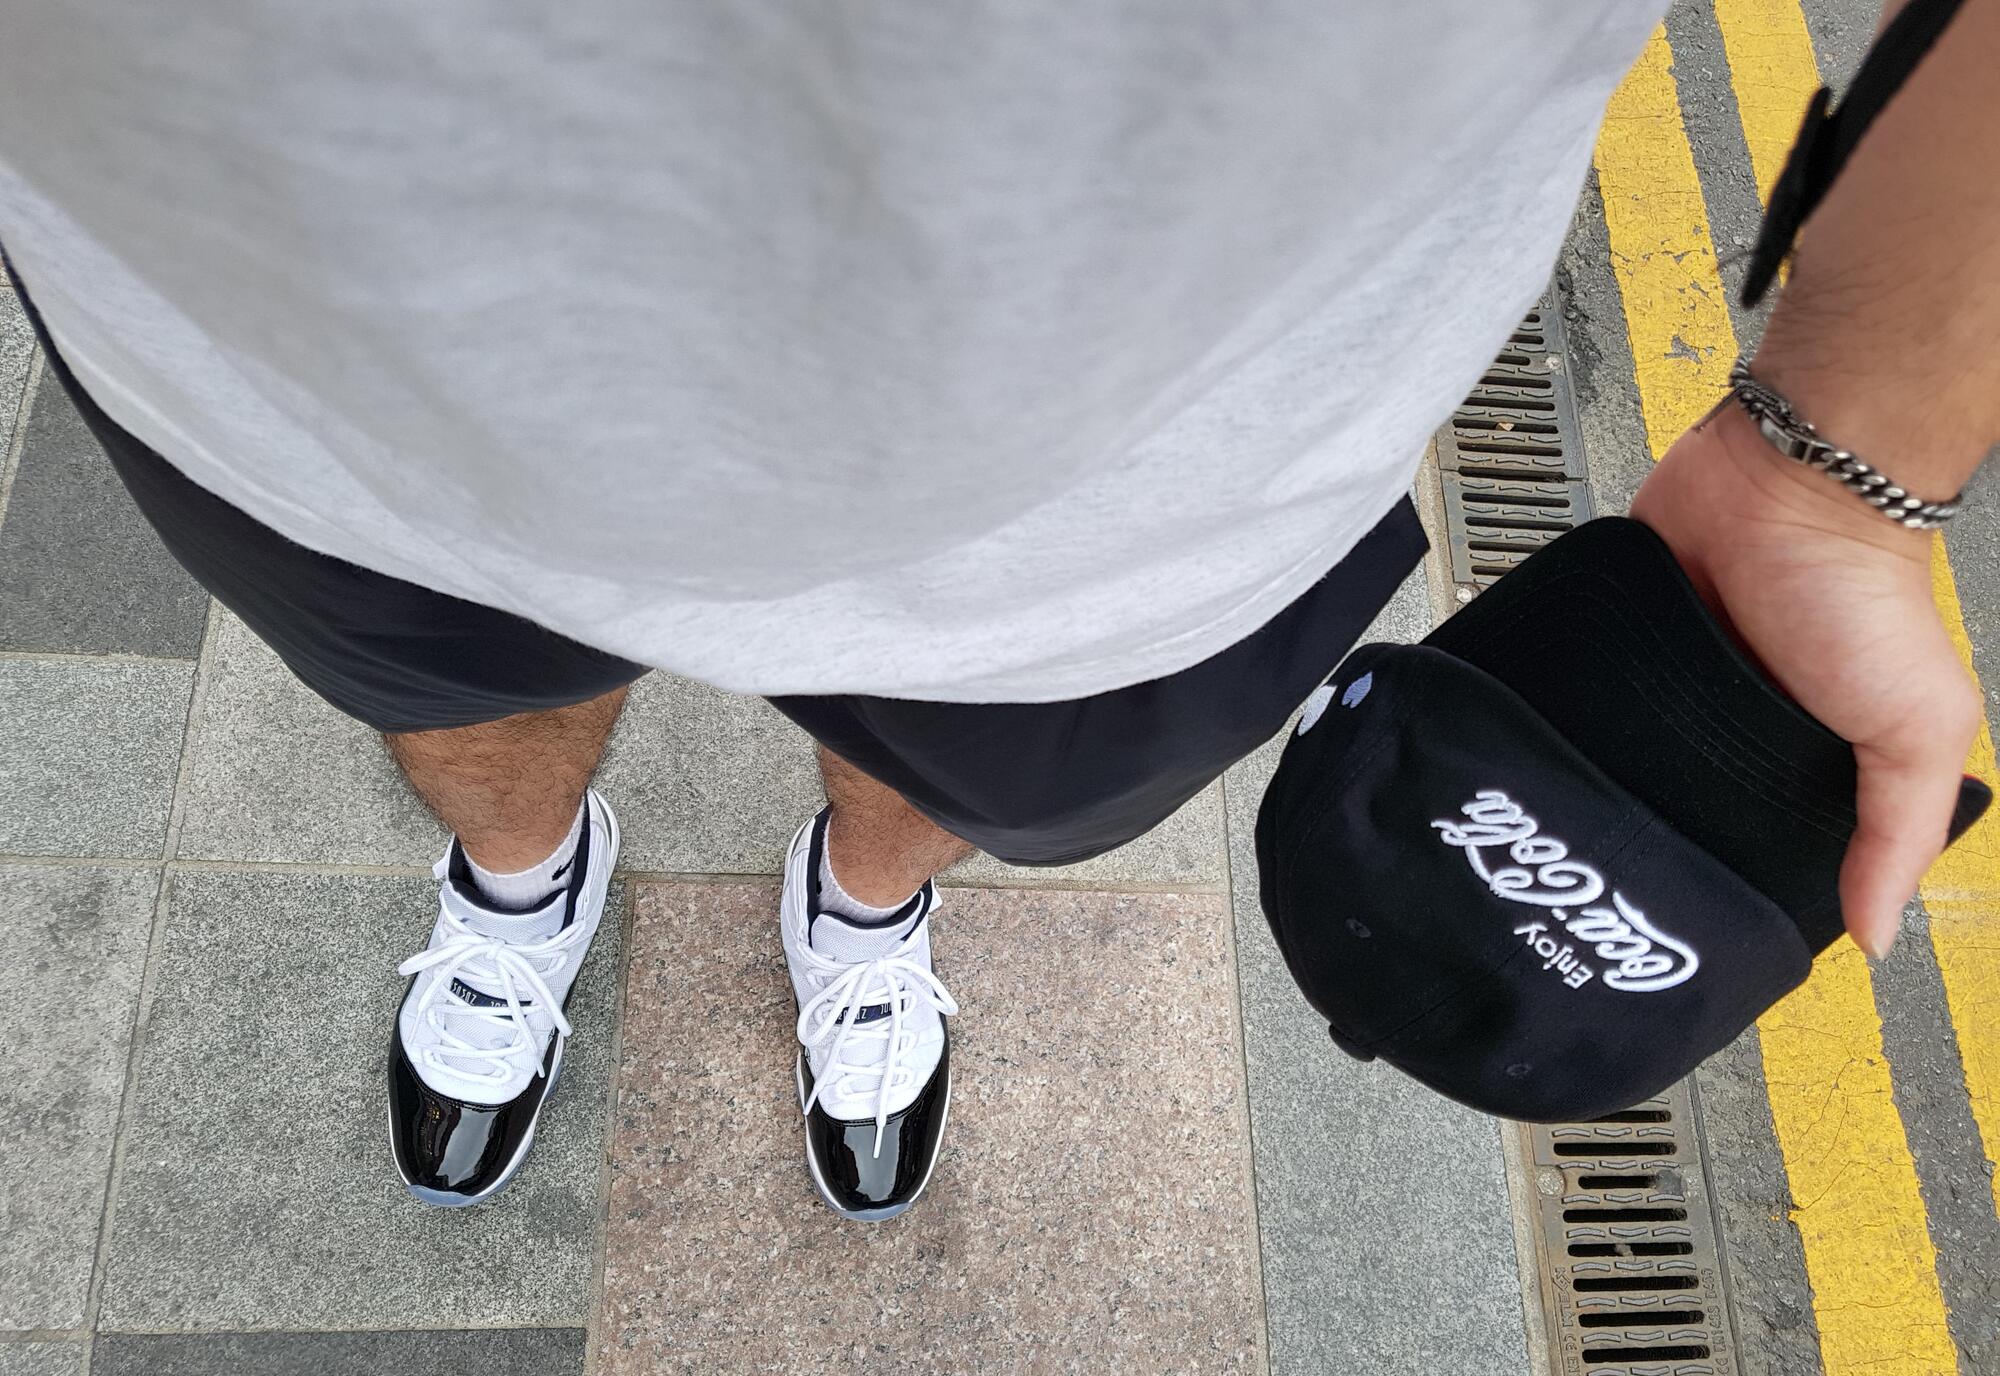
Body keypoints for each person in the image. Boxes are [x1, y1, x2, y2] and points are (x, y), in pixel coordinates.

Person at [0, 0, 1989, 1219]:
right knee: (461, 716)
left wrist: (1843, 452)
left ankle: (863, 915)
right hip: (296, 362)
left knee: (957, 758)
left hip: (1163, 444)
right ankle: (522, 887)